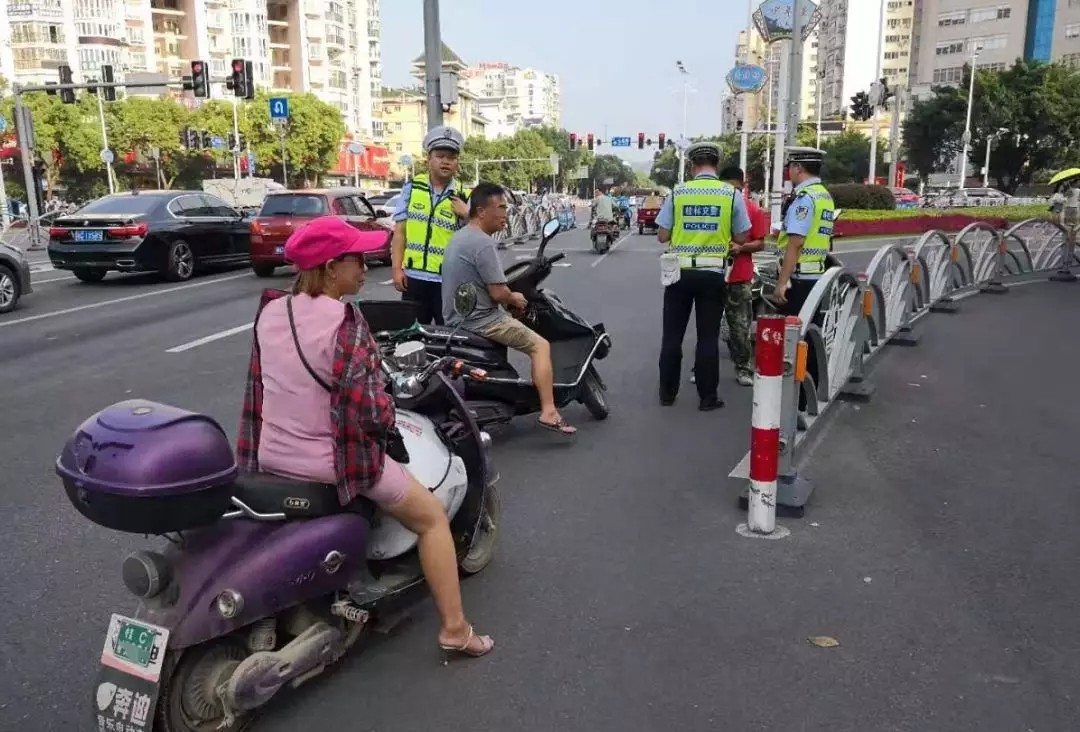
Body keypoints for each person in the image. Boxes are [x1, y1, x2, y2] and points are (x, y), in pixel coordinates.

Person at [239, 216, 493, 659]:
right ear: (332, 266)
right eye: (357, 258)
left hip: (270, 457)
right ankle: (455, 628)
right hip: (328, 464)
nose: (366, 265)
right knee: (431, 518)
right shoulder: (345, 321)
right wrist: (389, 420)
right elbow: (372, 410)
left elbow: (260, 390)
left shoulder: (271, 310)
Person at [442, 182, 577, 436]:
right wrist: (515, 297)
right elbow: (498, 292)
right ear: (481, 212)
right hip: (481, 320)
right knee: (540, 346)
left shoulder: (459, 237)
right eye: (501, 207)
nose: (506, 213)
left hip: (457, 316)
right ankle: (549, 411)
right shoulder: (482, 243)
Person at [656, 141, 751, 410]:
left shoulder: (678, 192)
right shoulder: (731, 195)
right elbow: (742, 235)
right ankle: (708, 398)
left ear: (692, 165)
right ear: (717, 165)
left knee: (672, 336)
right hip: (712, 274)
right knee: (707, 337)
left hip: (679, 274)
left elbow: (662, 235)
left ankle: (667, 393)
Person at [391, 126, 471, 326]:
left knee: (449, 340)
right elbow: (400, 233)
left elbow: (476, 238)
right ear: (429, 159)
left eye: (451, 157)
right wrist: (396, 270)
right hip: (414, 279)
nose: (445, 161)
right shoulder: (412, 188)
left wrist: (467, 215)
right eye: (440, 155)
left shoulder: (464, 196)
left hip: (448, 282)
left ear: (457, 163)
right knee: (413, 337)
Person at [719, 166, 768, 386]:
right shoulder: (713, 208)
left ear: (742, 187)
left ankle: (744, 368)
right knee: (707, 325)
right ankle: (701, 367)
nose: (731, 193)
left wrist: (741, 248)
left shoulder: (753, 210)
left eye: (735, 189)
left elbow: (760, 243)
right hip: (713, 274)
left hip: (739, 276)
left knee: (740, 326)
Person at [774, 147, 835, 317]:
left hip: (799, 277)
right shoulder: (824, 195)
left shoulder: (805, 198)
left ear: (798, 168)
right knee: (810, 332)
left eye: (790, 167)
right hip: (815, 274)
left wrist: (782, 282)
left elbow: (796, 242)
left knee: (794, 334)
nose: (789, 172)